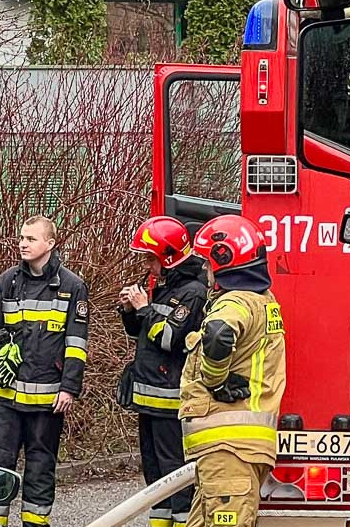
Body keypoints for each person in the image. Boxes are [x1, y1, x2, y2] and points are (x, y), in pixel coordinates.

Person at [0, 215, 89, 527]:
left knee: (40, 467)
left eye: (31, 239)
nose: (23, 244)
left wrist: (69, 388)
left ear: (50, 244)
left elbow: (76, 344)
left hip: (47, 399)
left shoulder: (72, 286)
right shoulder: (7, 281)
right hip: (6, 397)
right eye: (22, 238)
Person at [179, 214, 286, 527]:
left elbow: (218, 333)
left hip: (228, 450)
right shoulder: (263, 301)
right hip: (235, 451)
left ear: (223, 259)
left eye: (207, 263)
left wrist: (215, 381)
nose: (205, 271)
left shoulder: (236, 301)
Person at [119, 216, 208, 527]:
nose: (147, 265)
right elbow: (142, 333)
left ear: (168, 257)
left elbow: (171, 339)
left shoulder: (193, 292)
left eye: (150, 258)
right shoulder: (165, 286)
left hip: (170, 400)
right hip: (149, 398)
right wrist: (130, 311)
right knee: (155, 476)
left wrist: (145, 309)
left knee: (175, 473)